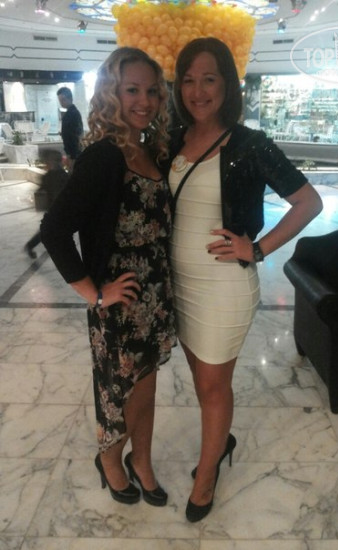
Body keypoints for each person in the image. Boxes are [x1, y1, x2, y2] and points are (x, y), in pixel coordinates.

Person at [165, 37, 323, 522]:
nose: (198, 90)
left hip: (224, 289)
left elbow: (309, 203)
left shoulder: (251, 144)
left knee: (214, 386)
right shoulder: (173, 138)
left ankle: (207, 475)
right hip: (180, 286)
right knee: (202, 380)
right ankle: (222, 440)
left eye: (209, 78)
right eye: (189, 80)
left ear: (228, 85)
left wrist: (256, 249)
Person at [41, 48, 176, 506]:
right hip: (119, 302)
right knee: (120, 392)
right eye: (131, 90)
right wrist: (94, 294)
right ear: (111, 94)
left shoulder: (152, 150)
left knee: (146, 387)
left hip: (154, 297)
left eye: (152, 91)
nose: (144, 101)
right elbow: (54, 229)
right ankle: (110, 458)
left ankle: (143, 460)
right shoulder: (102, 156)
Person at [24, 149, 68, 259]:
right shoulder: (60, 175)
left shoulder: (52, 176)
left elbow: (41, 189)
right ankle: (30, 246)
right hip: (56, 210)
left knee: (49, 231)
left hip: (56, 209)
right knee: (48, 231)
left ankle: (30, 246)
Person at [57, 86, 84, 171]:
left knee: (73, 172)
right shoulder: (72, 113)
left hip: (73, 152)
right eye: (60, 100)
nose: (61, 103)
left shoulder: (72, 114)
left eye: (63, 100)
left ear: (70, 98)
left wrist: (70, 153)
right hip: (73, 151)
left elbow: (75, 134)